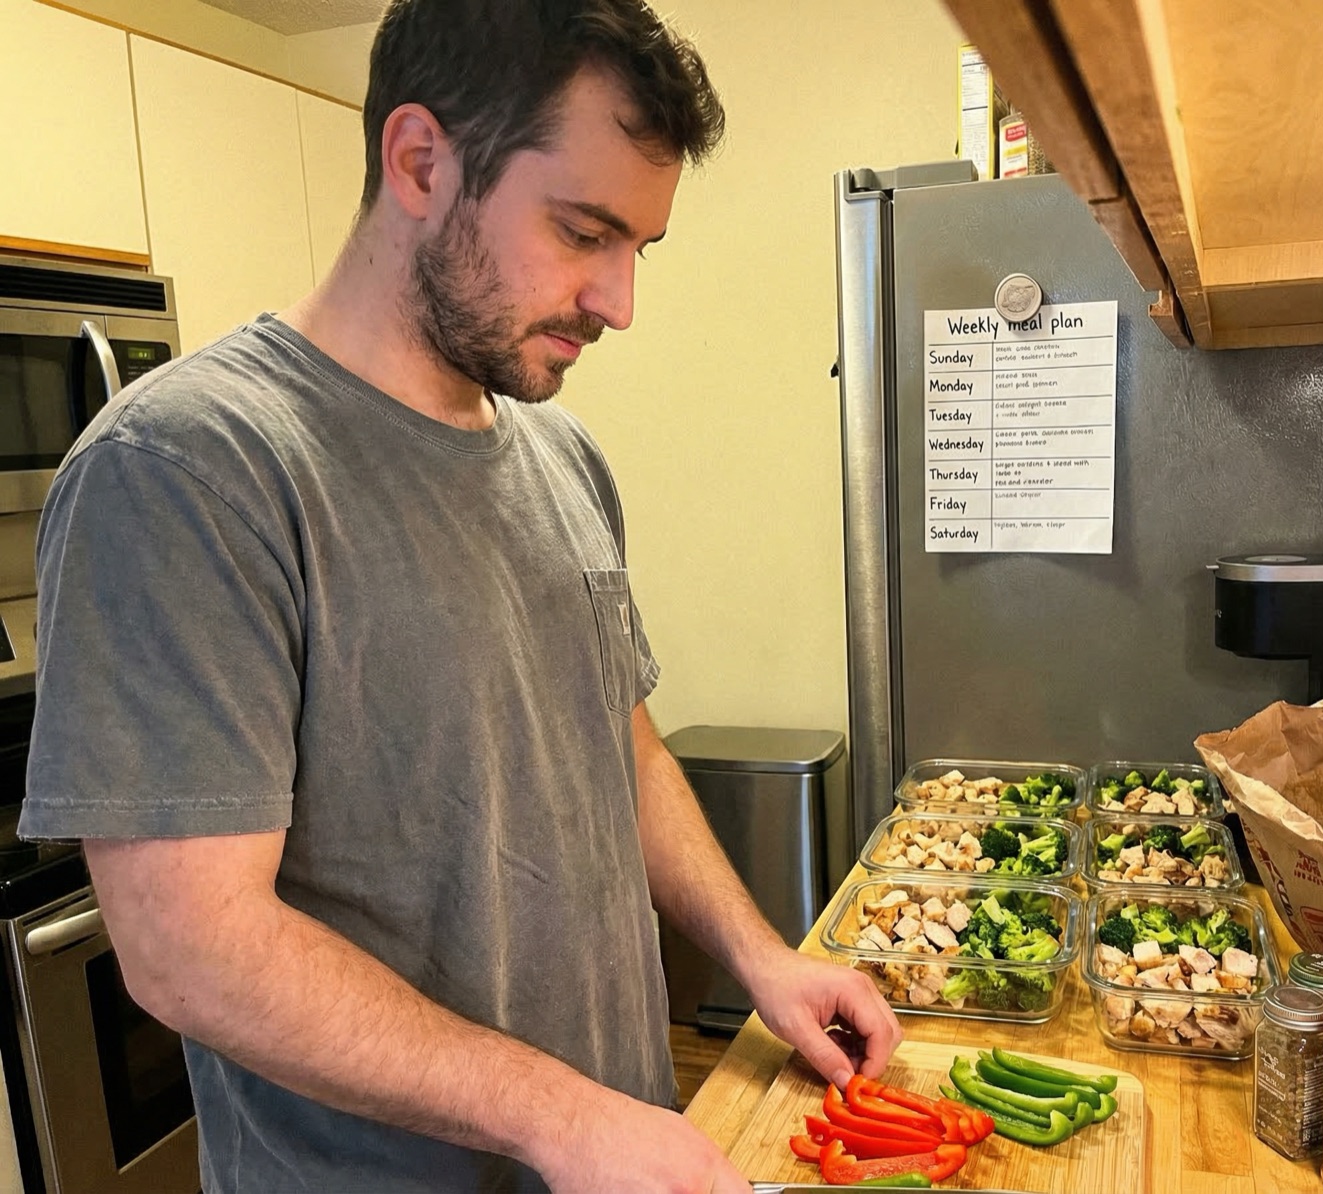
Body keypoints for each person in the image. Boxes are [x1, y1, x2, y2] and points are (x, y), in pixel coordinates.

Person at [18, 2, 902, 1190]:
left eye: (639, 246)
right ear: (422, 161)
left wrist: (761, 959)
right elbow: (190, 951)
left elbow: (616, 741)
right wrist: (557, 1115)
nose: (618, 300)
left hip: (612, 1152)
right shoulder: (186, 469)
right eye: (585, 231)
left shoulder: (562, 457)